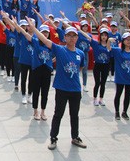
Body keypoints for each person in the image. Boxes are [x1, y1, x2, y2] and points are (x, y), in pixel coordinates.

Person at [27, 19, 87, 150]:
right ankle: (53, 138)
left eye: (74, 36)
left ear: (77, 38)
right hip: (61, 88)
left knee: (74, 115)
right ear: (64, 37)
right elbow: (45, 40)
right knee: (58, 114)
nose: (72, 38)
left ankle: (75, 137)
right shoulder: (59, 50)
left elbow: (80, 68)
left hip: (75, 89)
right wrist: (34, 28)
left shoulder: (80, 54)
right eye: (69, 35)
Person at [107, 32, 130, 121]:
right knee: (118, 94)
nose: (128, 41)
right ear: (123, 41)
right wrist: (109, 40)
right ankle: (117, 112)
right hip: (120, 78)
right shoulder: (117, 50)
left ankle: (125, 112)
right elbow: (109, 48)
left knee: (127, 96)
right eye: (126, 39)